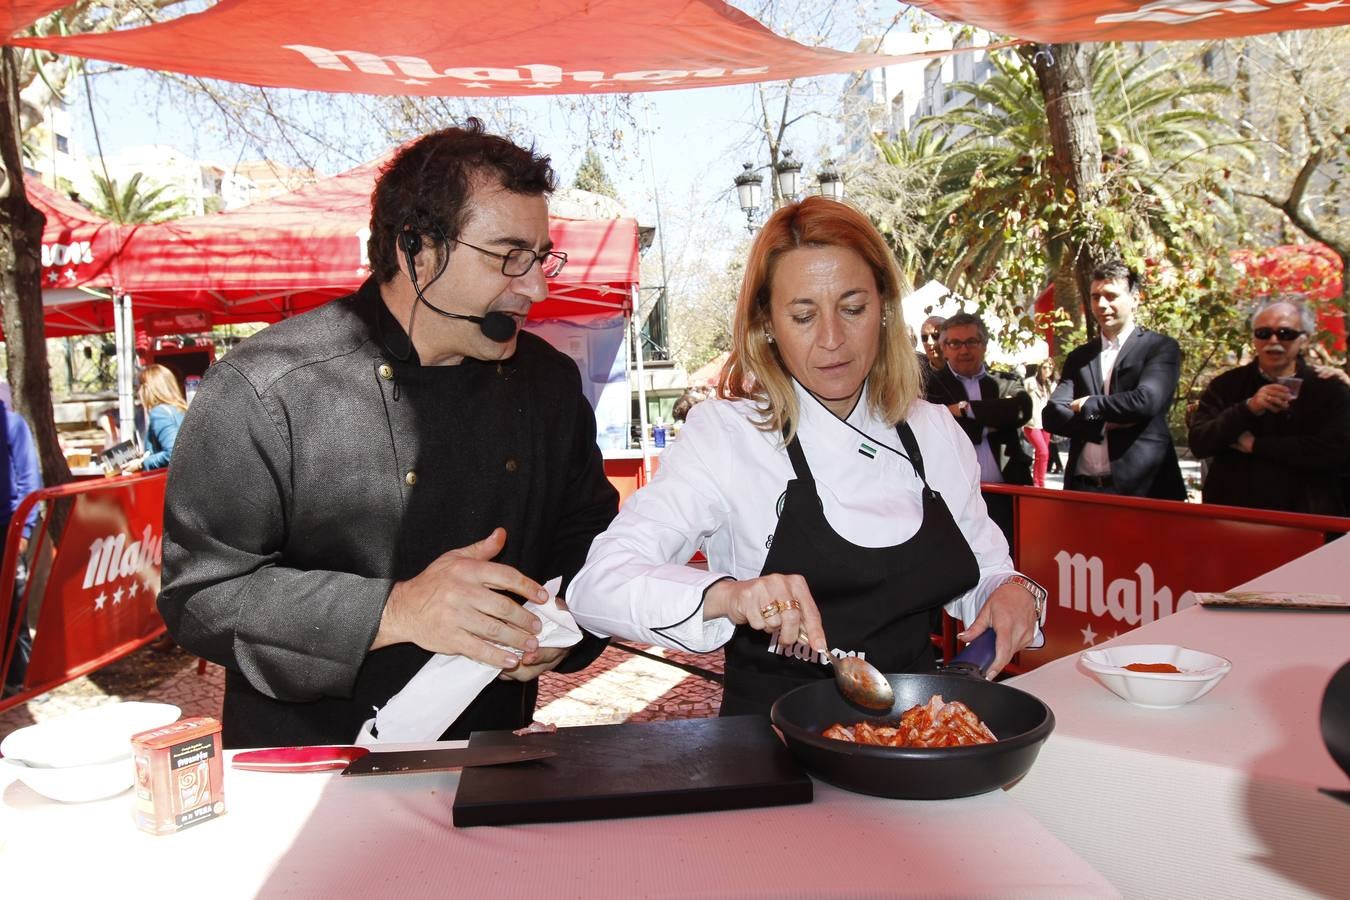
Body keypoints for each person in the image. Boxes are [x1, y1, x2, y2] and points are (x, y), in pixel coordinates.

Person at [158, 120, 619, 748]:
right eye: (508, 256)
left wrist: (570, 630)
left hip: (490, 749)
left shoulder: (549, 384)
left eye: (539, 258)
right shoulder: (265, 387)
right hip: (311, 760)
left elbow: (590, 537)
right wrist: (397, 609)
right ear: (416, 249)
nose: (536, 287)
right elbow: (201, 598)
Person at [567, 197, 1045, 718]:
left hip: (913, 732)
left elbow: (988, 573)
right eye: (803, 315)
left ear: (884, 309)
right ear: (766, 324)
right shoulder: (727, 436)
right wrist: (728, 595)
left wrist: (1012, 591)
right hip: (770, 750)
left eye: (853, 308)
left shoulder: (932, 431)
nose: (832, 340)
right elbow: (599, 586)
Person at [1188, 299, 1350, 515]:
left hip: (1308, 520)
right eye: (1263, 333)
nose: (1273, 340)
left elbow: (1335, 452)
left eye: (1285, 333)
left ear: (1305, 340)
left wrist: (1256, 445)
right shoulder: (1226, 385)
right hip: (1234, 516)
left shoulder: (1329, 388)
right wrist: (1247, 409)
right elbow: (1200, 443)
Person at [1044, 260, 1186, 500]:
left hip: (1143, 492)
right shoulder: (1080, 357)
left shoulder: (1159, 348)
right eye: (1095, 296)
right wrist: (1102, 422)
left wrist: (1091, 405)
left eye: (1111, 296)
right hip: (1083, 490)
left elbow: (1146, 401)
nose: (1102, 304)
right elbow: (1052, 415)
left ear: (1135, 298)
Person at [924, 313, 1033, 487]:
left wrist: (966, 410)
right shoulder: (930, 387)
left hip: (1009, 492)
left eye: (971, 342)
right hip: (957, 496)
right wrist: (996, 420)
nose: (964, 350)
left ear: (984, 345)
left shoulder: (1005, 382)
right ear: (944, 348)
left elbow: (1022, 409)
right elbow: (936, 432)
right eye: (955, 343)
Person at [1, 382, 41, 697]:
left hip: (8, 527)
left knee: (13, 604)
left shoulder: (12, 423)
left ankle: (20, 677)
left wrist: (24, 529)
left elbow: (29, 477)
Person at [124, 364, 186, 472]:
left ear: (146, 388)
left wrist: (141, 464)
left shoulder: (159, 413)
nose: (138, 394)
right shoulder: (182, 409)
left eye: (138, 388)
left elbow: (174, 453)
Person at [1023, 360, 1057, 488]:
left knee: (1041, 453)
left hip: (1045, 423)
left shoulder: (1049, 384)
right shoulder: (1029, 382)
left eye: (1050, 368)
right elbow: (1021, 399)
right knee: (1043, 452)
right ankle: (1039, 483)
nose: (1047, 370)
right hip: (1032, 422)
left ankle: (1038, 482)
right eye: (1044, 367)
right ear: (1039, 368)